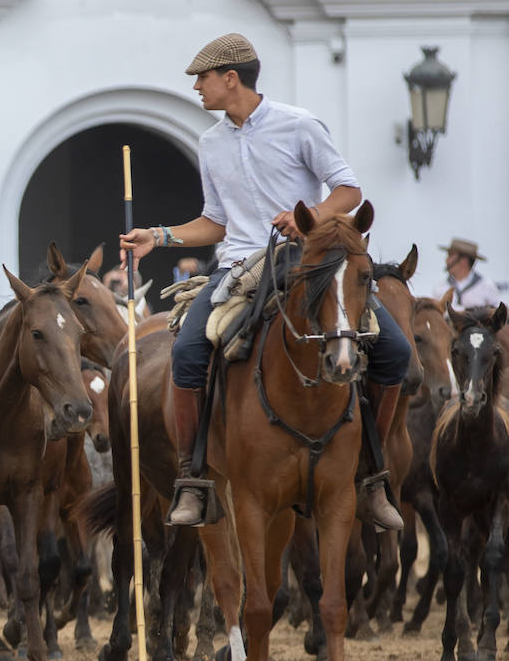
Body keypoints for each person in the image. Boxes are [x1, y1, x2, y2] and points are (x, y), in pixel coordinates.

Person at [119, 32, 410, 531]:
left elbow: (349, 190)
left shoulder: (300, 125)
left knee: (396, 351)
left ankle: (372, 477)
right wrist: (160, 236)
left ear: (231, 78)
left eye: (203, 78)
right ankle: (193, 480)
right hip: (238, 268)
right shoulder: (210, 143)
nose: (197, 88)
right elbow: (216, 222)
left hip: (308, 264)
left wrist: (308, 216)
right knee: (187, 351)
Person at [431, 238, 502, 308]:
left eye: (450, 255)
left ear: (464, 260)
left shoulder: (487, 286)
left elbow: (498, 312)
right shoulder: (440, 289)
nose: (446, 260)